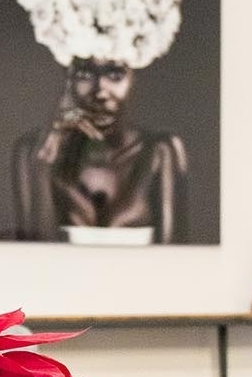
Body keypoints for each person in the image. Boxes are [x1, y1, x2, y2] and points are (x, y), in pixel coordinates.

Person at [13, 57, 187, 242]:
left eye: (115, 75)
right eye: (84, 74)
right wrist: (44, 162)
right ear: (68, 79)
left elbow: (178, 263)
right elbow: (35, 260)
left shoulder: (161, 151)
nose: (100, 93)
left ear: (134, 77)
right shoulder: (32, 151)